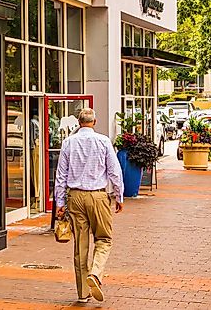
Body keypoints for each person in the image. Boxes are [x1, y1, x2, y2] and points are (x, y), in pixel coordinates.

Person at [54, 108, 123, 304]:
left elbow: (61, 175)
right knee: (104, 238)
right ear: (95, 121)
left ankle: (83, 293)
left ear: (78, 122)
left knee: (80, 246)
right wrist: (119, 195)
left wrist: (60, 202)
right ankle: (96, 273)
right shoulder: (103, 141)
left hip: (75, 197)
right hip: (98, 196)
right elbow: (114, 171)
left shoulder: (68, 143)